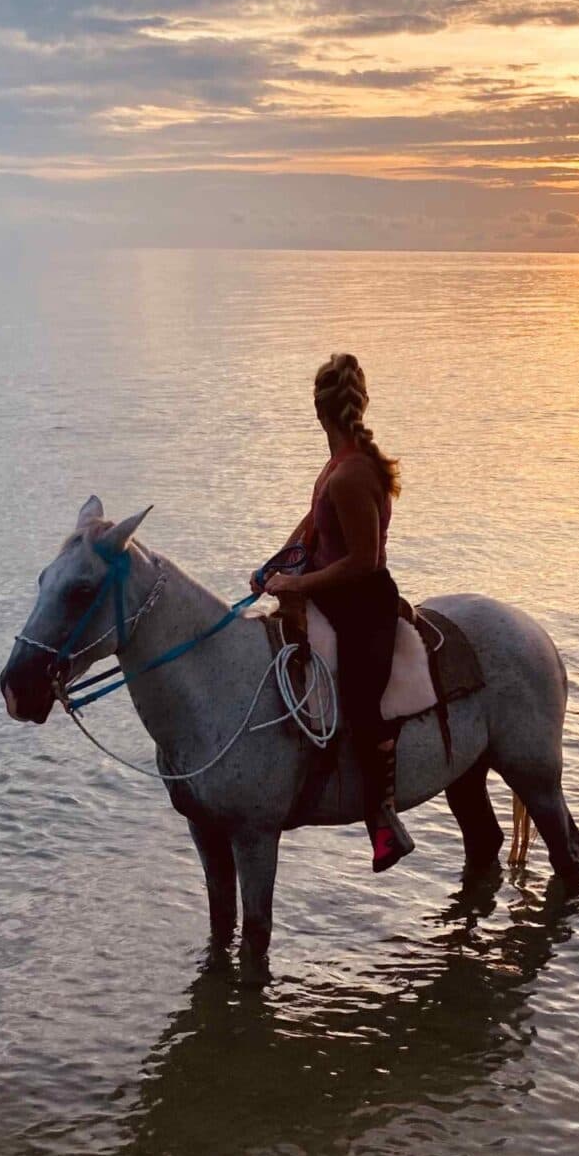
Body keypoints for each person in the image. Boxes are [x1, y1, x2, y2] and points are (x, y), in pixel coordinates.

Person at [254, 352, 414, 873]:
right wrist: (274, 566)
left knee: (361, 702)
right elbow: (312, 529)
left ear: (318, 410)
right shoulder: (334, 469)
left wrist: (295, 582)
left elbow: (364, 562)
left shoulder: (350, 476)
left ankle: (383, 820)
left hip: (363, 605)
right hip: (331, 594)